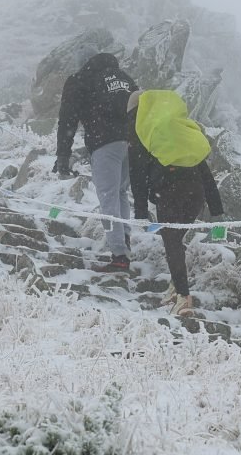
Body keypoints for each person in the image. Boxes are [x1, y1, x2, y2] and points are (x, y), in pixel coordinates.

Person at [128, 90, 224, 318]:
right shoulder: (178, 129)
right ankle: (175, 286)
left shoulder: (142, 131)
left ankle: (183, 298)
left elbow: (137, 174)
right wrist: (216, 206)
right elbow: (203, 169)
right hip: (196, 192)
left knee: (171, 242)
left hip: (170, 192)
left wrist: (141, 210)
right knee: (175, 240)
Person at [54, 51, 138, 272]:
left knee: (108, 197)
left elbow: (67, 118)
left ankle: (119, 256)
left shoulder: (80, 79)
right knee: (120, 194)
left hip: (104, 143)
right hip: (131, 143)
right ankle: (124, 242)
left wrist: (63, 154)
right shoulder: (124, 78)